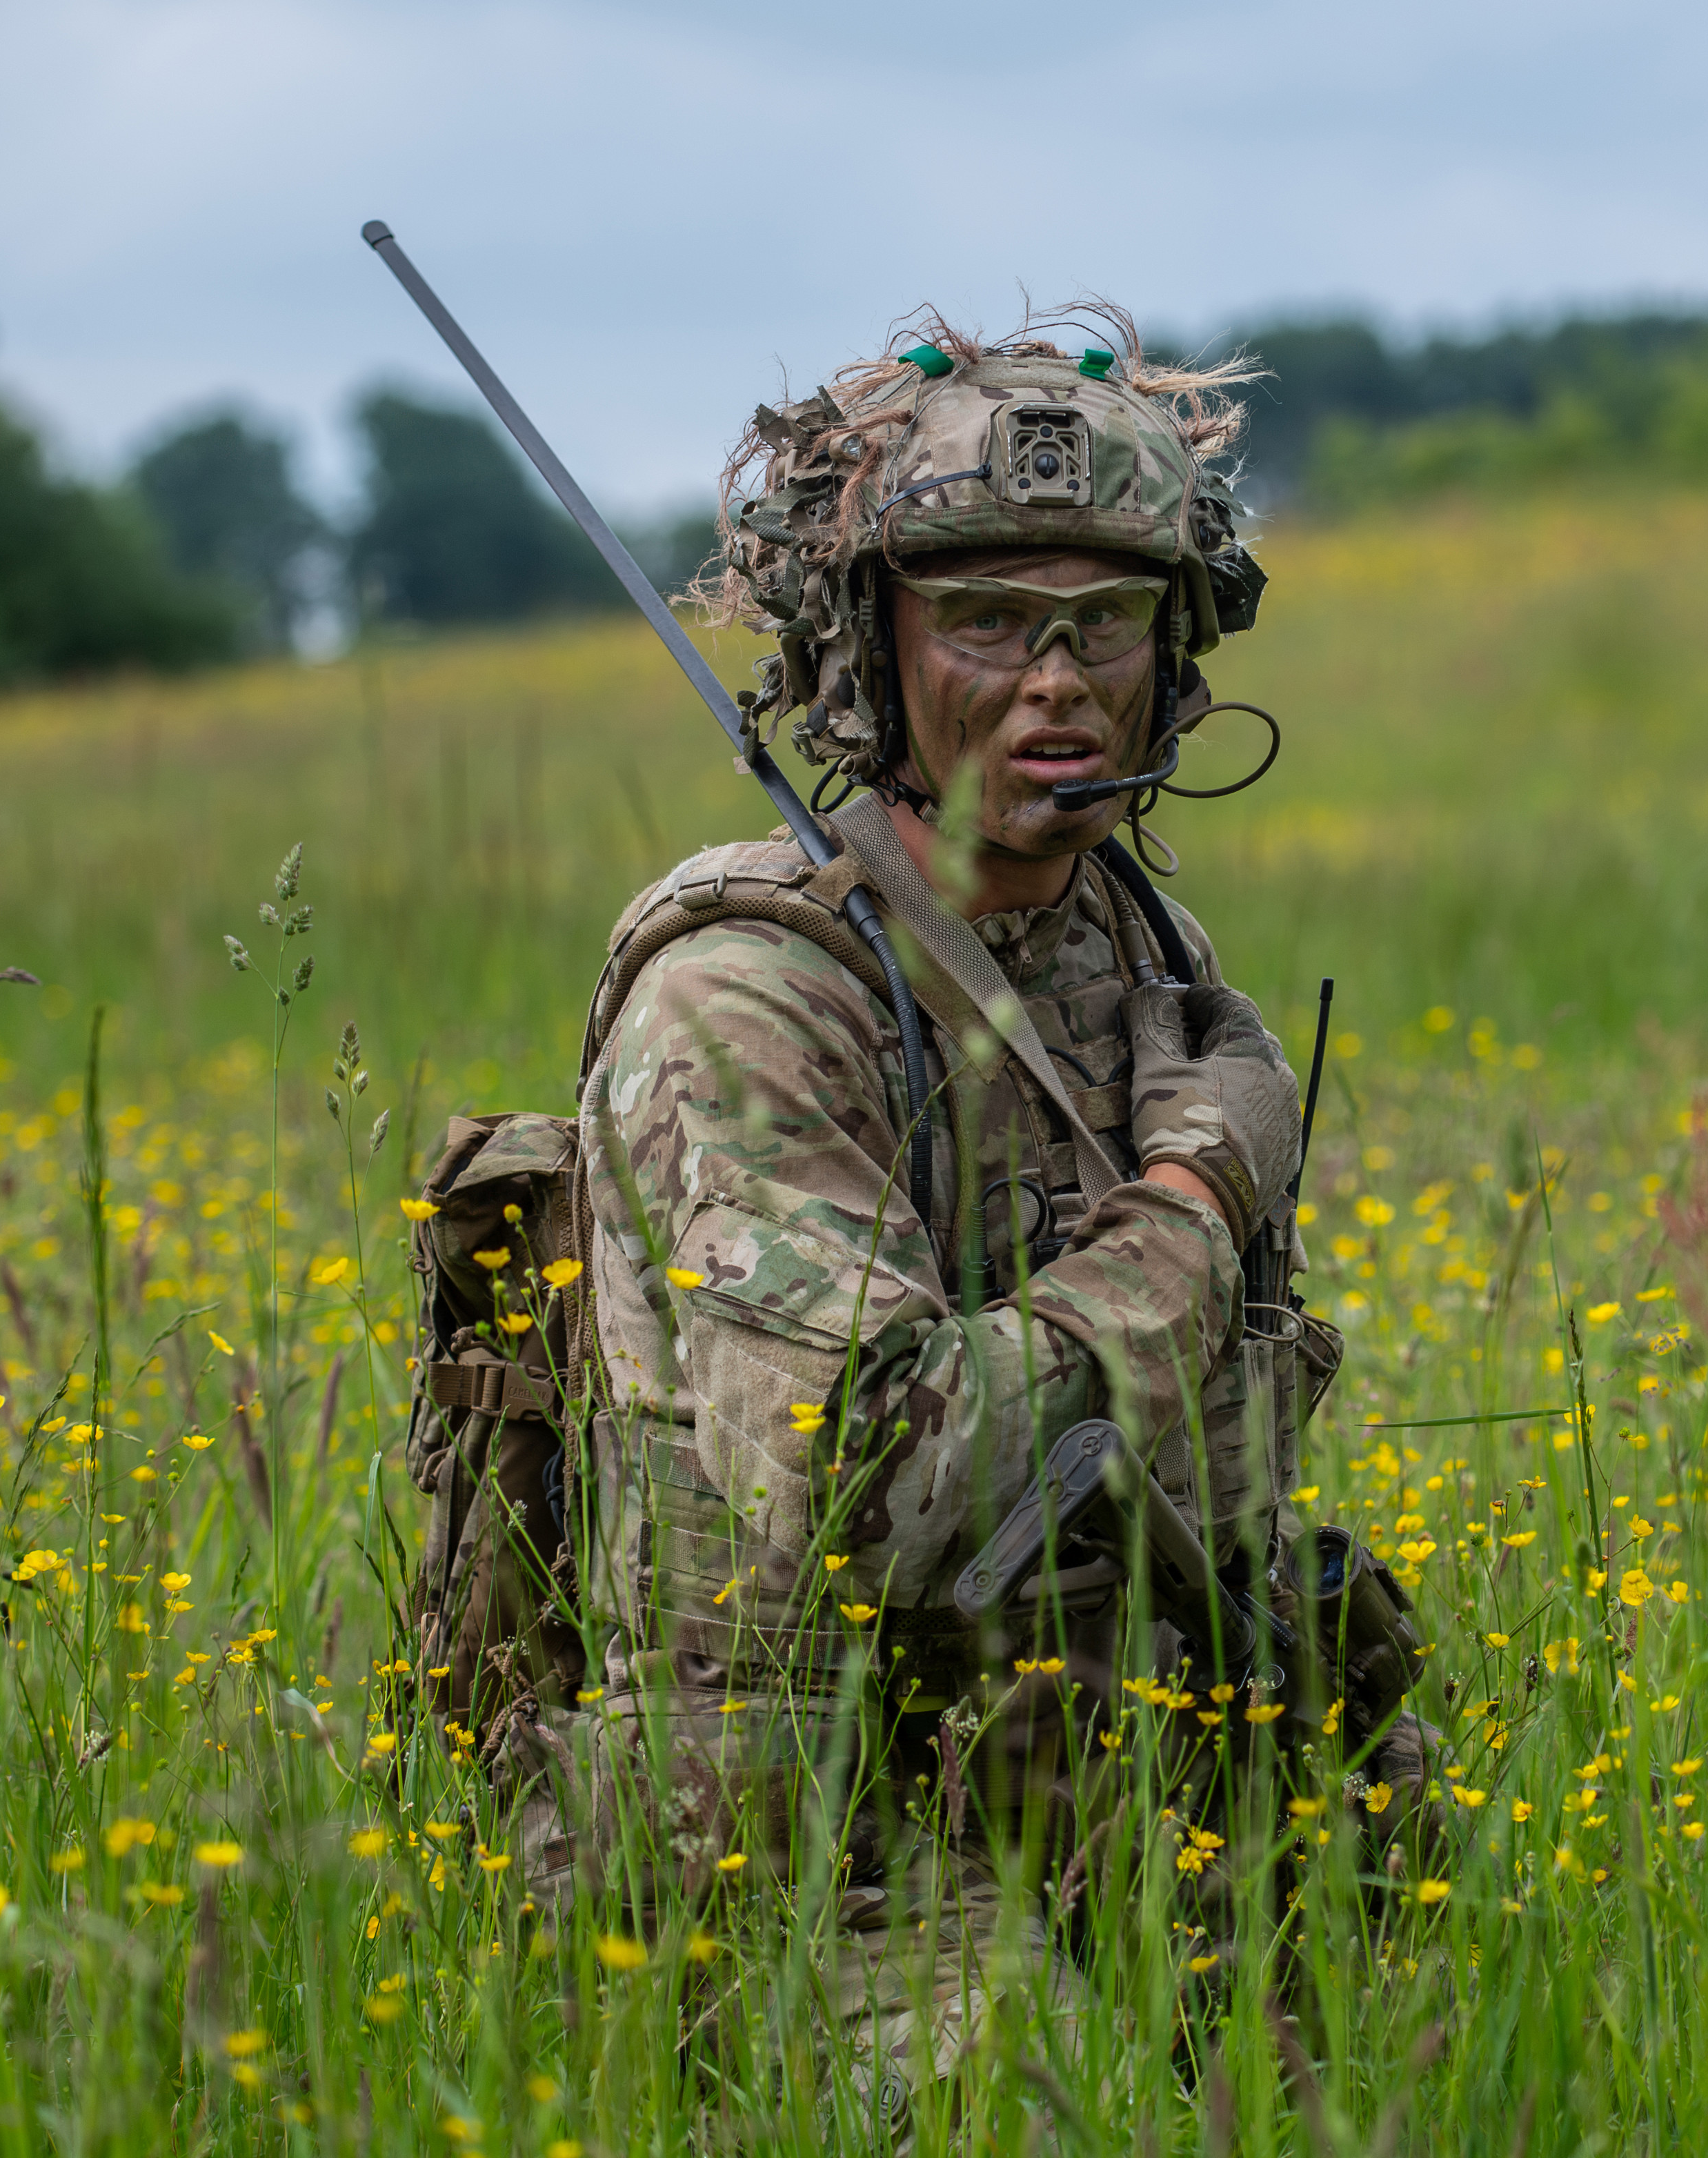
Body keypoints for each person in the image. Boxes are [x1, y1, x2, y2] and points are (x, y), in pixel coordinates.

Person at [403, 311, 1424, 2124]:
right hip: (821, 1854)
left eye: (1105, 622)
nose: (1058, 684)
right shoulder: (752, 995)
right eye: (987, 625)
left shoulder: (1133, 948)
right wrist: (1198, 1193)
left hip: (1130, 1779)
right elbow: (875, 1484)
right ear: (867, 651)